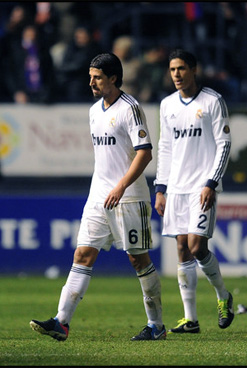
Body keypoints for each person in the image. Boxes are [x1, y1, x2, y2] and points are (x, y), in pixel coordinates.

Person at [30, 53, 165, 341]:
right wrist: (106, 187)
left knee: (138, 259)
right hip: (98, 196)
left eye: (97, 77)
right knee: (83, 254)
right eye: (90, 76)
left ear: (113, 78)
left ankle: (156, 326)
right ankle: (61, 322)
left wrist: (120, 186)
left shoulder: (131, 108)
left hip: (128, 196)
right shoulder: (94, 111)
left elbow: (145, 153)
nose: (91, 82)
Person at [154, 49, 234, 334]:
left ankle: (223, 296)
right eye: (172, 69)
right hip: (175, 187)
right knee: (180, 248)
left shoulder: (213, 101)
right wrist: (161, 188)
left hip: (202, 185)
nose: (176, 74)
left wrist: (212, 182)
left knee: (197, 246)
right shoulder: (166, 105)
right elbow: (165, 147)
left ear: (194, 70)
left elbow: (224, 143)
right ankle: (191, 319)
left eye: (181, 69)